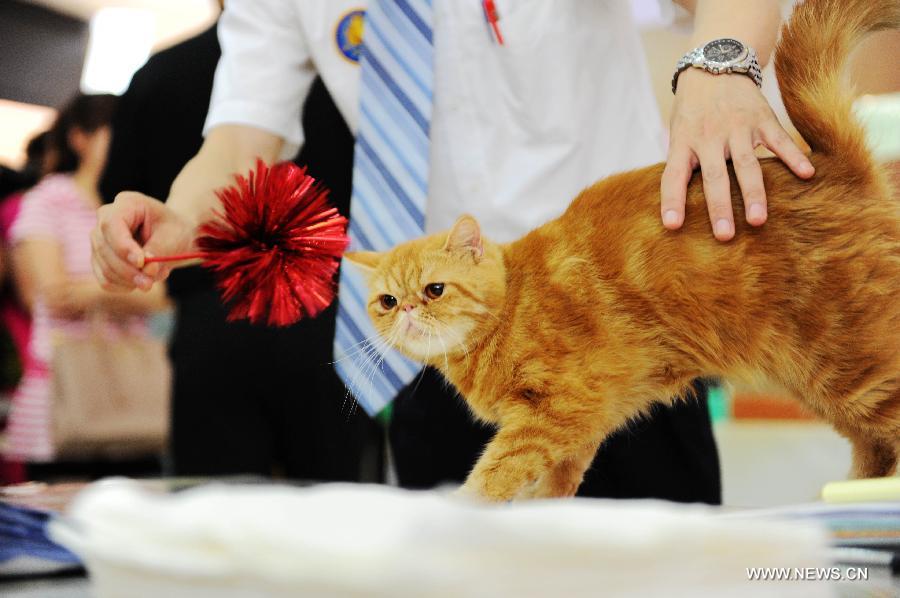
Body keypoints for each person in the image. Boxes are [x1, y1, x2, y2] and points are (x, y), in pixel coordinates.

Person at [91, 0, 814, 502]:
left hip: (626, 325)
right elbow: (240, 139)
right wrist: (185, 217)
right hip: (448, 351)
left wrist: (721, 69)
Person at [99, 17, 383, 481]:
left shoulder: (159, 73)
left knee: (214, 503)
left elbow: (122, 186)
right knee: (336, 499)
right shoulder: (337, 67)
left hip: (209, 309)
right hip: (328, 310)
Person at [3, 94, 168, 474]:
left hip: (129, 401)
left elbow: (166, 297)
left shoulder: (137, 208)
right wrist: (137, 286)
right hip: (61, 403)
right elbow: (56, 296)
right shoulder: (48, 200)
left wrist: (95, 290)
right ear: (80, 138)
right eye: (118, 130)